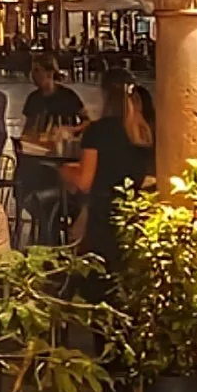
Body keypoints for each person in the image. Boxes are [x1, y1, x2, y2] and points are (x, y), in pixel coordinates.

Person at [66, 74, 155, 273]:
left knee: (98, 275)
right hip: (134, 212)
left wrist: (64, 172)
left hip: (102, 215)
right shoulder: (142, 132)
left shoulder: (97, 131)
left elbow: (85, 182)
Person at [19, 56, 86, 151]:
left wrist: (72, 130)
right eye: (33, 71)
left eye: (37, 70)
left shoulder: (68, 96)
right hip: (40, 148)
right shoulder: (33, 98)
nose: (33, 75)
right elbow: (28, 128)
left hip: (64, 148)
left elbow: (87, 122)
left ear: (50, 73)